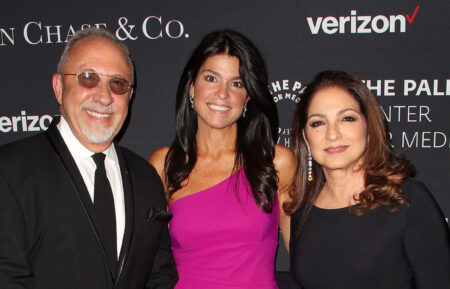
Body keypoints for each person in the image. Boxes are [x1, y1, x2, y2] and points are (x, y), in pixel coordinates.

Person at [0, 28, 177, 289]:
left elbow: (160, 276)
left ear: (129, 96)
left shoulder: (146, 177)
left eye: (117, 83)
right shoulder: (9, 170)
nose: (104, 96)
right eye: (88, 78)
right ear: (59, 87)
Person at [149, 30, 295, 289]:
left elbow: (308, 254)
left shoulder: (277, 162)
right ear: (192, 88)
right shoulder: (164, 165)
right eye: (211, 79)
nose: (223, 93)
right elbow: (146, 261)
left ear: (248, 96)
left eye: (236, 83)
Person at [286, 70, 450, 289]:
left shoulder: (407, 200)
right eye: (318, 123)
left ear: (369, 127)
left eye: (347, 118)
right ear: (305, 137)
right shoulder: (301, 210)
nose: (332, 134)